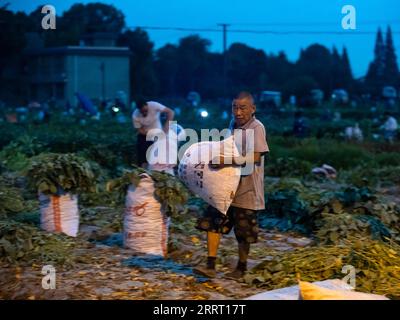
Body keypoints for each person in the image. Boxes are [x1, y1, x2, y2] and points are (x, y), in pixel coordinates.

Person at [194, 91, 269, 280]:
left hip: (247, 189)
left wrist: (226, 161)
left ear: (253, 109)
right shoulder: (231, 126)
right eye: (235, 107)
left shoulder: (257, 128)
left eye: (243, 108)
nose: (238, 112)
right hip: (225, 188)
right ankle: (210, 265)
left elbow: (256, 156)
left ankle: (241, 268)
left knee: (243, 232)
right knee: (213, 223)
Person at [132, 99, 175, 168]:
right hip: (145, 135)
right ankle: (142, 170)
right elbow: (139, 130)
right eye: (142, 112)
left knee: (161, 154)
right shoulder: (135, 115)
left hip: (159, 133)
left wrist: (166, 126)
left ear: (147, 105)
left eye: (145, 111)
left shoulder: (154, 105)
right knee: (142, 154)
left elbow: (171, 112)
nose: (144, 113)